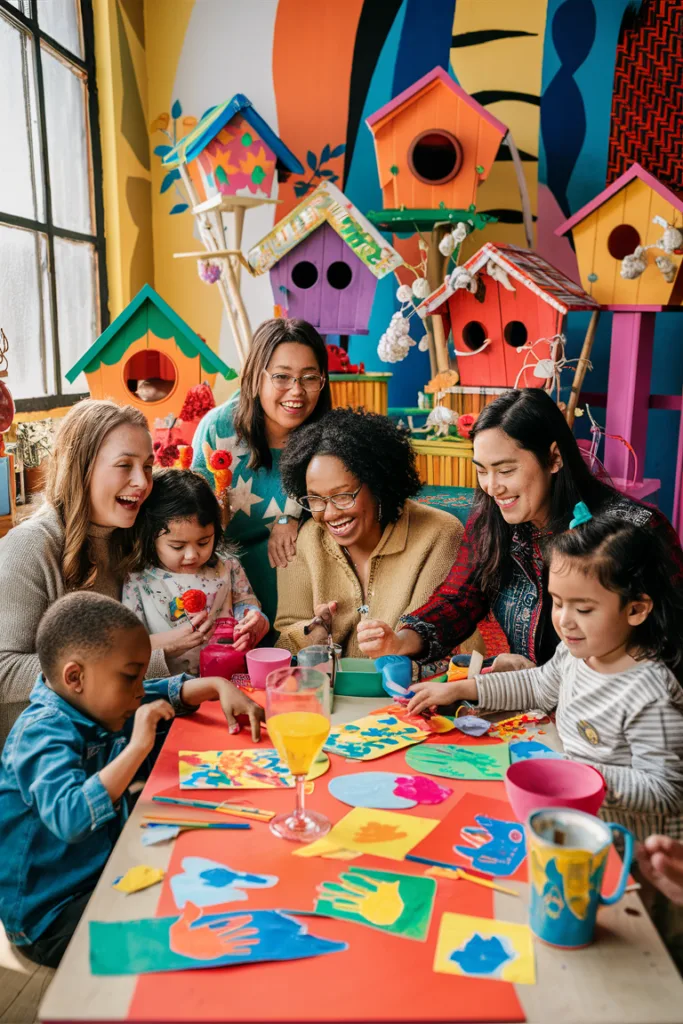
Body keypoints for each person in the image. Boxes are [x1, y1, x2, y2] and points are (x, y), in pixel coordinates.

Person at [0, 591, 264, 968]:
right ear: (75, 676)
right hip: (51, 914)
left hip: (104, 869)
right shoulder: (41, 735)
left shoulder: (92, 698)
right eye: (130, 677)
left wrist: (215, 687)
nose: (139, 690)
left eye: (141, 676)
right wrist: (138, 745)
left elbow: (158, 694)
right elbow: (71, 818)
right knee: (189, 939)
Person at [356, 388, 683, 669]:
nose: (492, 487)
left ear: (554, 459)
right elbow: (460, 597)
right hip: (531, 705)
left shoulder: (637, 531)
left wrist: (546, 683)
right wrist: (400, 642)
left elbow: (672, 646)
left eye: (506, 470)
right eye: (482, 471)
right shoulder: (495, 519)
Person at [408, 513, 683, 841]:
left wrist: (584, 776)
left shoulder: (650, 693)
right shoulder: (576, 654)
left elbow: (665, 789)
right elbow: (537, 685)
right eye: (557, 602)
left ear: (636, 610)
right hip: (578, 813)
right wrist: (461, 689)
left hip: (631, 849)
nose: (565, 621)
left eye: (583, 610)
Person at [0, 400, 170, 746]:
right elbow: (4, 673)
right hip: (49, 770)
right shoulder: (30, 547)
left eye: (148, 467)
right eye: (125, 465)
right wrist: (143, 660)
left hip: (112, 749)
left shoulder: (128, 537)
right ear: (82, 469)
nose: (142, 481)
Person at [274, 408, 482, 662]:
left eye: (342, 496)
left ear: (377, 484)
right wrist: (315, 632)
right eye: (316, 499)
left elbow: (440, 646)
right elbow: (283, 647)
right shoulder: (307, 540)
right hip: (326, 694)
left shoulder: (439, 535)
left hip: (411, 696)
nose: (329, 514)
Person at [192, 318, 331, 630]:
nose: (297, 392)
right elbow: (191, 510)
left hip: (296, 582)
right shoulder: (218, 428)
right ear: (256, 377)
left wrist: (291, 516)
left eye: (310, 378)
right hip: (221, 581)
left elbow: (340, 506)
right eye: (282, 377)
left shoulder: (327, 435)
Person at [123, 469, 268, 675]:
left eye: (203, 542)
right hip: (169, 687)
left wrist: (253, 620)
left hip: (228, 676)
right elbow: (130, 645)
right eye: (177, 546)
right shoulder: (138, 580)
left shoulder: (227, 565)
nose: (192, 555)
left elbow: (247, 604)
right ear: (150, 537)